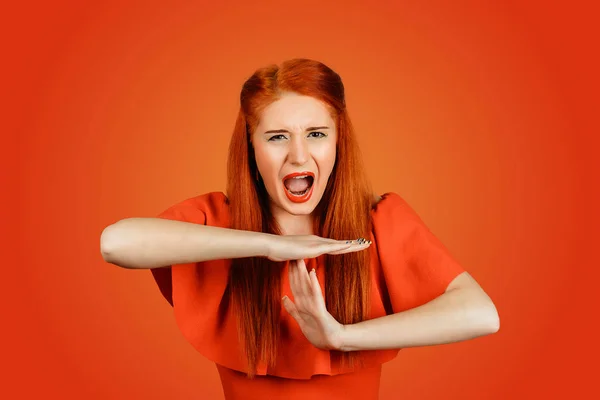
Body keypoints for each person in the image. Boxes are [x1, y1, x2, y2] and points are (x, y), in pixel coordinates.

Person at [100, 58, 499, 400]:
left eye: (317, 134)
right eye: (277, 137)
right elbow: (116, 243)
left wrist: (340, 337)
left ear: (338, 141)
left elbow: (481, 314)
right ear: (251, 148)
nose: (299, 154)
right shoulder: (216, 223)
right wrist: (268, 245)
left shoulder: (378, 221)